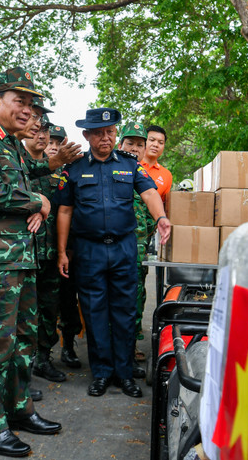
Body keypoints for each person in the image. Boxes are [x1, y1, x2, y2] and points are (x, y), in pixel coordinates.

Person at [0, 67, 80, 457]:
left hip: (20, 259)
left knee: (23, 340)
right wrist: (39, 202)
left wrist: (51, 164)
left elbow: (25, 171)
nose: (28, 110)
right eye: (20, 101)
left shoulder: (10, 143)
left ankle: (19, 409)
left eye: (32, 104)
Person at [56, 108, 171, 399]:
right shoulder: (76, 167)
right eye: (99, 132)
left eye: (110, 132)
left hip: (123, 248)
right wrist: (62, 251)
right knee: (95, 313)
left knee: (124, 311)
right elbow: (65, 210)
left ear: (115, 134)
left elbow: (148, 193)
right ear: (87, 135)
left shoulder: (131, 166)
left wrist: (161, 218)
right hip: (89, 250)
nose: (105, 137)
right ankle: (102, 373)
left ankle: (124, 372)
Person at [20, 102, 66, 383]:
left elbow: (64, 212)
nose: (42, 134)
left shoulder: (56, 172)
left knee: (49, 308)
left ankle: (43, 359)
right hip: (20, 252)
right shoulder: (16, 163)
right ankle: (20, 369)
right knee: (21, 314)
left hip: (48, 252)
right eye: (37, 129)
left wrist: (62, 250)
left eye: (46, 130)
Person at [47, 124, 84, 370]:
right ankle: (43, 354)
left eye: (58, 143)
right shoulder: (30, 171)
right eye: (50, 141)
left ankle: (68, 346)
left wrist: (68, 247)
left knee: (69, 300)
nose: (53, 146)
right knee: (47, 304)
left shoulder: (71, 173)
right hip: (38, 250)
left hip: (70, 249)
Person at [118, 122, 153, 376]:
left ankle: (129, 351)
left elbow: (151, 215)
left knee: (136, 302)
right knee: (115, 304)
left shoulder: (144, 176)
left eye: (140, 145)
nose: (135, 148)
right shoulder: (113, 171)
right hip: (116, 251)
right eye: (130, 143)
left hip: (138, 253)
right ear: (120, 145)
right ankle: (113, 354)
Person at [140, 125, 173, 202]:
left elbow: (164, 205)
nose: (156, 145)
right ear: (143, 141)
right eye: (152, 140)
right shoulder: (132, 164)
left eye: (160, 143)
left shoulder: (167, 175)